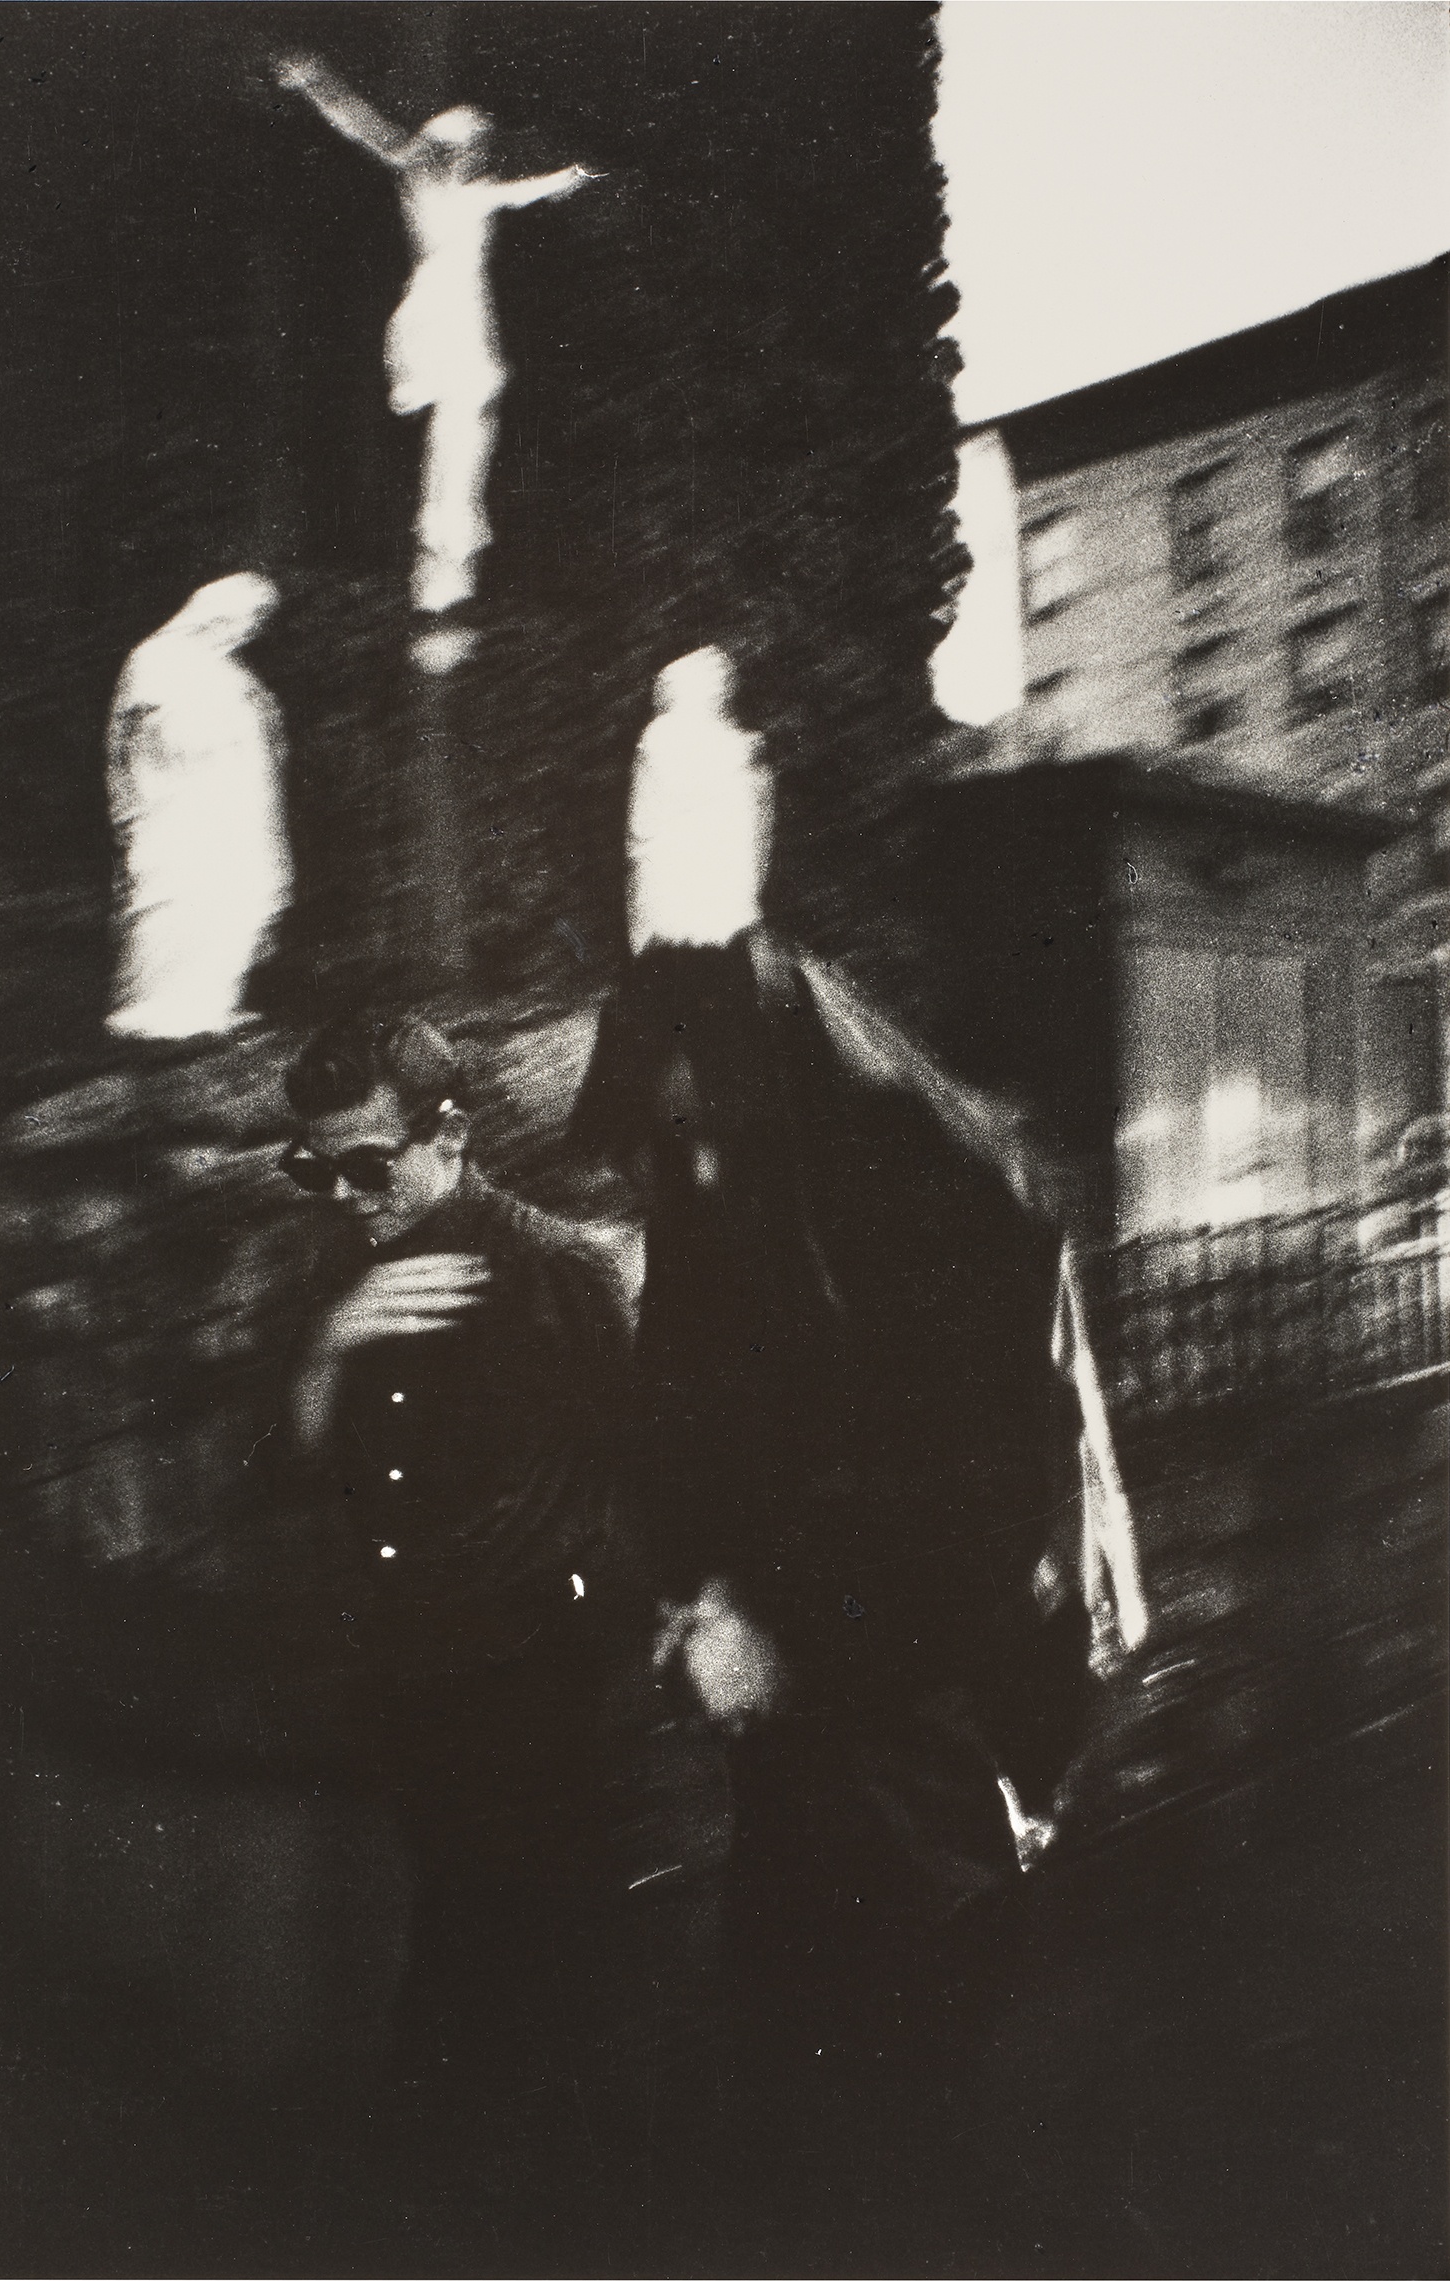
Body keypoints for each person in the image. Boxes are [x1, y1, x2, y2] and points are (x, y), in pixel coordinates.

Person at [564, 647, 1149, 2263]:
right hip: (813, 1721)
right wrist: (691, 1589)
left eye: (690, 1125)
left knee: (910, 2101)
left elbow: (962, 1469)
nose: (672, 1162)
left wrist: (774, 1620)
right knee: (795, 2068)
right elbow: (687, 1383)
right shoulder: (723, 1160)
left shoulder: (917, 1175)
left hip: (929, 1718)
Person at [277, 1009, 725, 2259]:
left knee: (532, 1958)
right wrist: (329, 1354)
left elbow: (656, 1455)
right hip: (412, 1681)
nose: (349, 1195)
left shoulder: (555, 1271)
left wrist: (663, 1615)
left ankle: (544, 2223)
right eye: (316, 1169)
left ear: (452, 1133)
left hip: (543, 1677)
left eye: (373, 1162)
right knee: (471, 1934)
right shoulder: (332, 1274)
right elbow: (284, 1482)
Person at [276, 57, 595, 637]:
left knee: (467, 432)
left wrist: (571, 177)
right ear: (444, 149)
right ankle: (440, 560)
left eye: (476, 148)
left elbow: (525, 192)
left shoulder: (480, 193)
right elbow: (363, 126)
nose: (471, 157)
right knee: (459, 424)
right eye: (463, 147)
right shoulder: (417, 176)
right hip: (435, 312)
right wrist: (318, 84)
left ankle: (450, 562)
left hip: (464, 315)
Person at [106, 572, 291, 1041]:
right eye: (237, 617)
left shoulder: (237, 680)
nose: (243, 630)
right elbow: (128, 745)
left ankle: (210, 1007)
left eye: (253, 622)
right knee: (174, 904)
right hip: (175, 809)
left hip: (231, 812)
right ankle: (162, 1015)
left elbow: (258, 755)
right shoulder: (153, 661)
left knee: (231, 902)